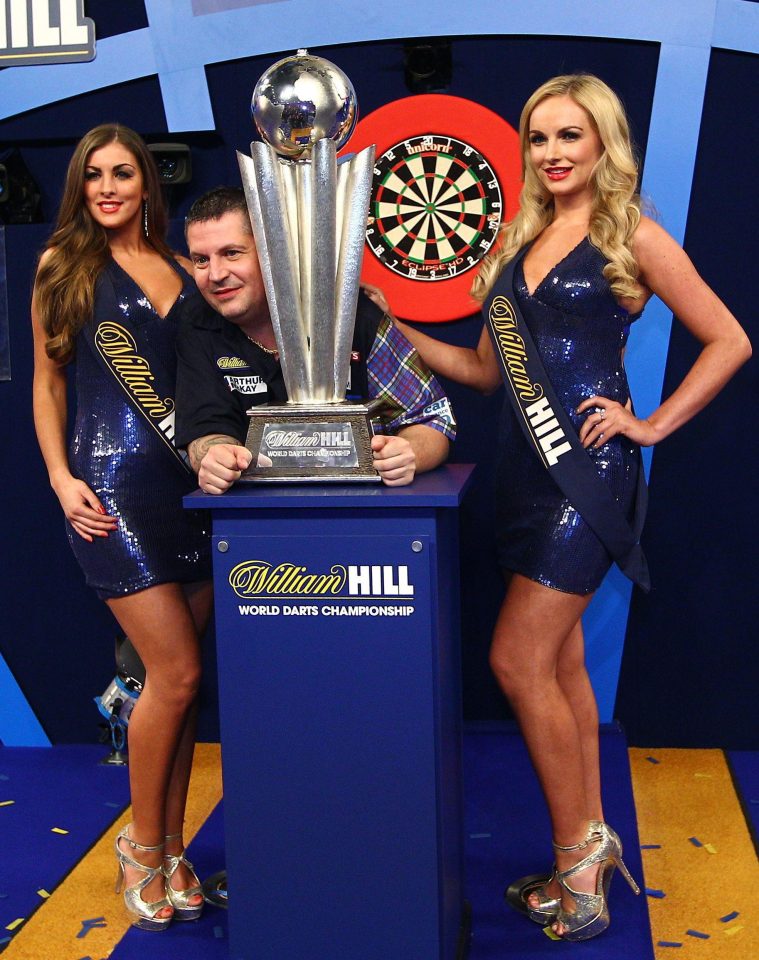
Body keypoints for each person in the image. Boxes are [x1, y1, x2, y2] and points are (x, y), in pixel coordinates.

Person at [385, 74, 751, 941]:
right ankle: (584, 852)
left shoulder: (631, 237)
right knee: (560, 669)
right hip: (521, 476)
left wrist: (650, 423)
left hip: (584, 479)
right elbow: (483, 372)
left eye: (569, 138)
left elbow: (730, 337)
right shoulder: (520, 244)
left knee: (517, 661)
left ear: (602, 146)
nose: (552, 153)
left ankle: (577, 861)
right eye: (540, 138)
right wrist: (392, 328)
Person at [31, 124, 213, 931]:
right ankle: (140, 846)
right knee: (168, 677)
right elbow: (47, 385)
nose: (108, 187)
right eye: (95, 175)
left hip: (190, 495)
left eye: (123, 174)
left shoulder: (182, 269)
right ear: (81, 186)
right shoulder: (62, 266)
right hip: (109, 493)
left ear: (147, 186)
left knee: (184, 687)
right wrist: (61, 478)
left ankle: (173, 849)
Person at [174, 187, 456, 491]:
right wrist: (213, 457)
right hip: (259, 519)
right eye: (201, 260)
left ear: (272, 254)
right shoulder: (197, 321)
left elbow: (431, 420)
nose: (215, 274)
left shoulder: (346, 310)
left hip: (367, 511)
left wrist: (409, 452)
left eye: (231, 253)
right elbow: (205, 431)